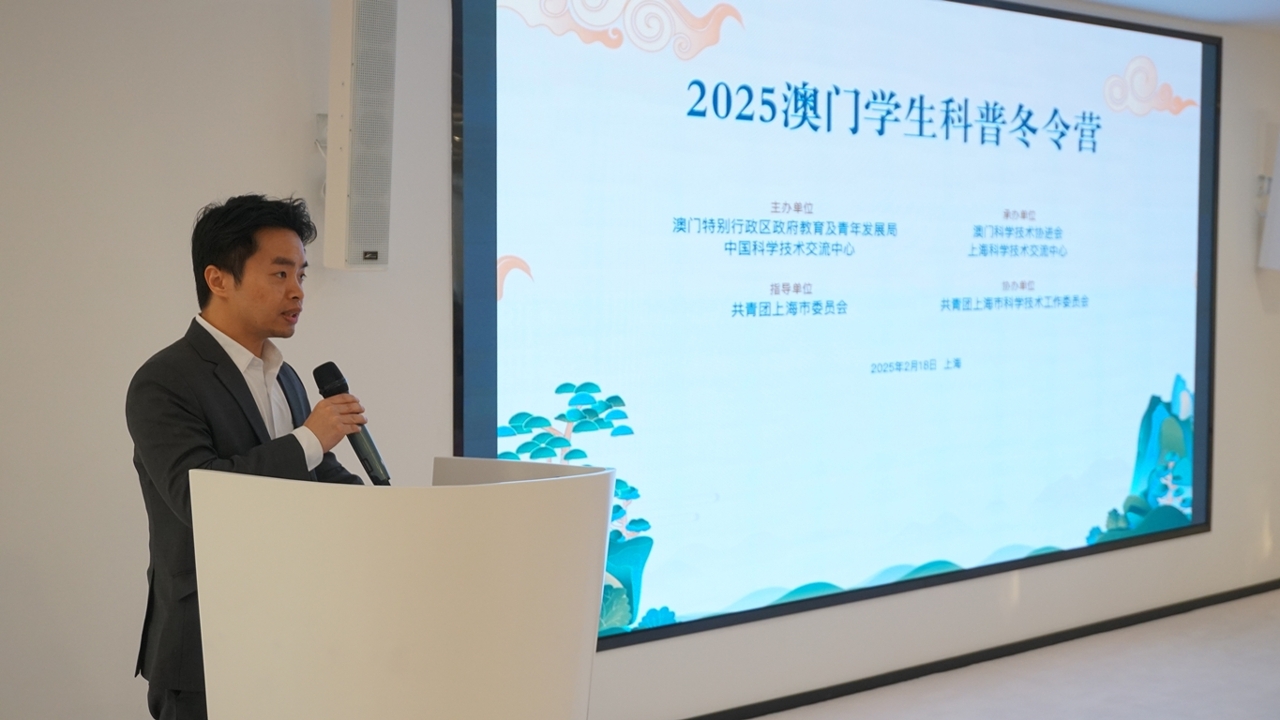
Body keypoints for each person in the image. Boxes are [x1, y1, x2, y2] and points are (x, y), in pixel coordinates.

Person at [125, 195, 368, 720]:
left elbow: (316, 472)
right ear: (218, 279)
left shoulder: (285, 376)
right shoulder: (163, 381)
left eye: (301, 273)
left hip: (294, 637)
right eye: (280, 273)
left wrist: (392, 511)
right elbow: (198, 494)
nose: (297, 290)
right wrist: (310, 439)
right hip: (206, 650)